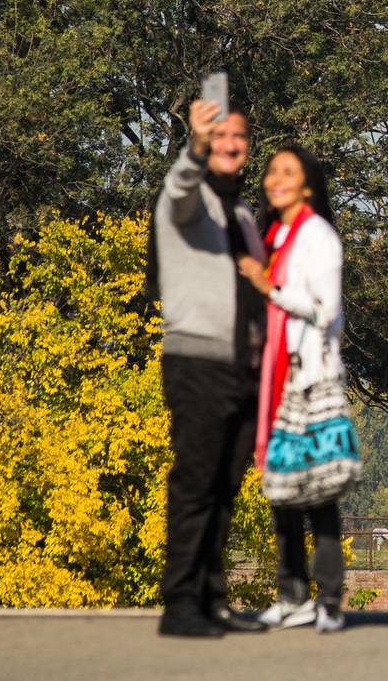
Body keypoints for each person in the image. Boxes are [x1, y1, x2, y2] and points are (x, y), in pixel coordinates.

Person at [154, 98, 270, 637]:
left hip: (241, 367)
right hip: (198, 362)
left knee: (224, 487)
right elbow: (177, 192)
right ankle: (181, 605)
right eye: (219, 138)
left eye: (238, 138)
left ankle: (211, 598)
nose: (230, 145)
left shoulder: (242, 214)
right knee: (196, 483)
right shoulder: (191, 198)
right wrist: (194, 147)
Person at [237, 144, 350, 634]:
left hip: (307, 379)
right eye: (271, 172)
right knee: (281, 490)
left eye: (288, 172)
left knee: (317, 491)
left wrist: (270, 289)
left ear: (307, 185)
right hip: (273, 377)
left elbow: (326, 309)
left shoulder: (317, 236)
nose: (275, 179)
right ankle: (292, 594)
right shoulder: (275, 235)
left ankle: (329, 599)